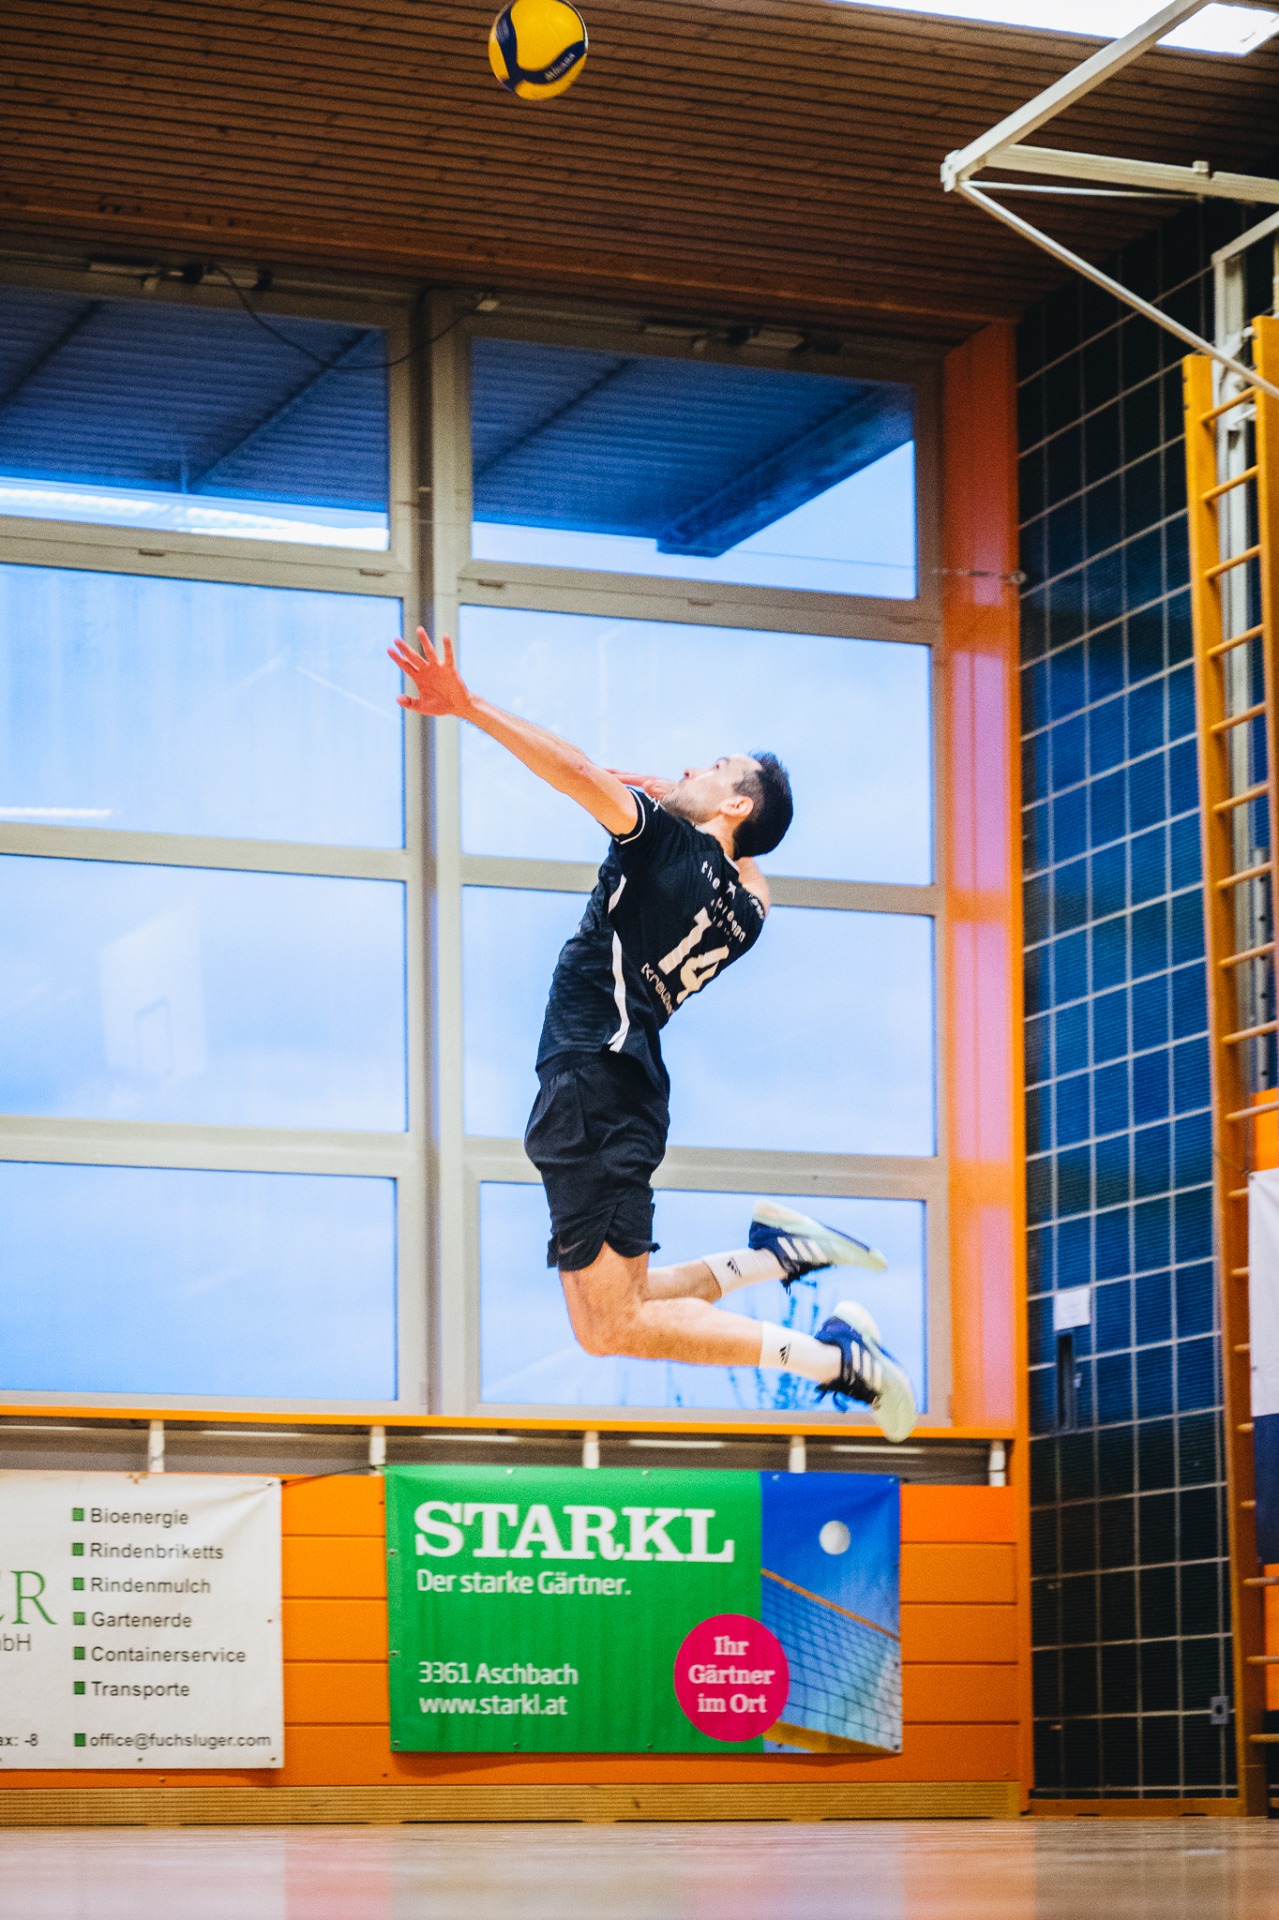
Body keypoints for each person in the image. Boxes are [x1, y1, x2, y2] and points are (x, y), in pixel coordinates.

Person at [391, 629, 915, 1441]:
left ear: (735, 807)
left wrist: (469, 705)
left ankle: (833, 1360)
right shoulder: (744, 912)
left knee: (613, 1324)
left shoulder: (661, 844)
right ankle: (774, 1258)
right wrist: (695, 799)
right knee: (612, 1314)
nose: (690, 769)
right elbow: (749, 866)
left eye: (713, 767)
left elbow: (575, 771)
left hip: (594, 1085)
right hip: (615, 1090)